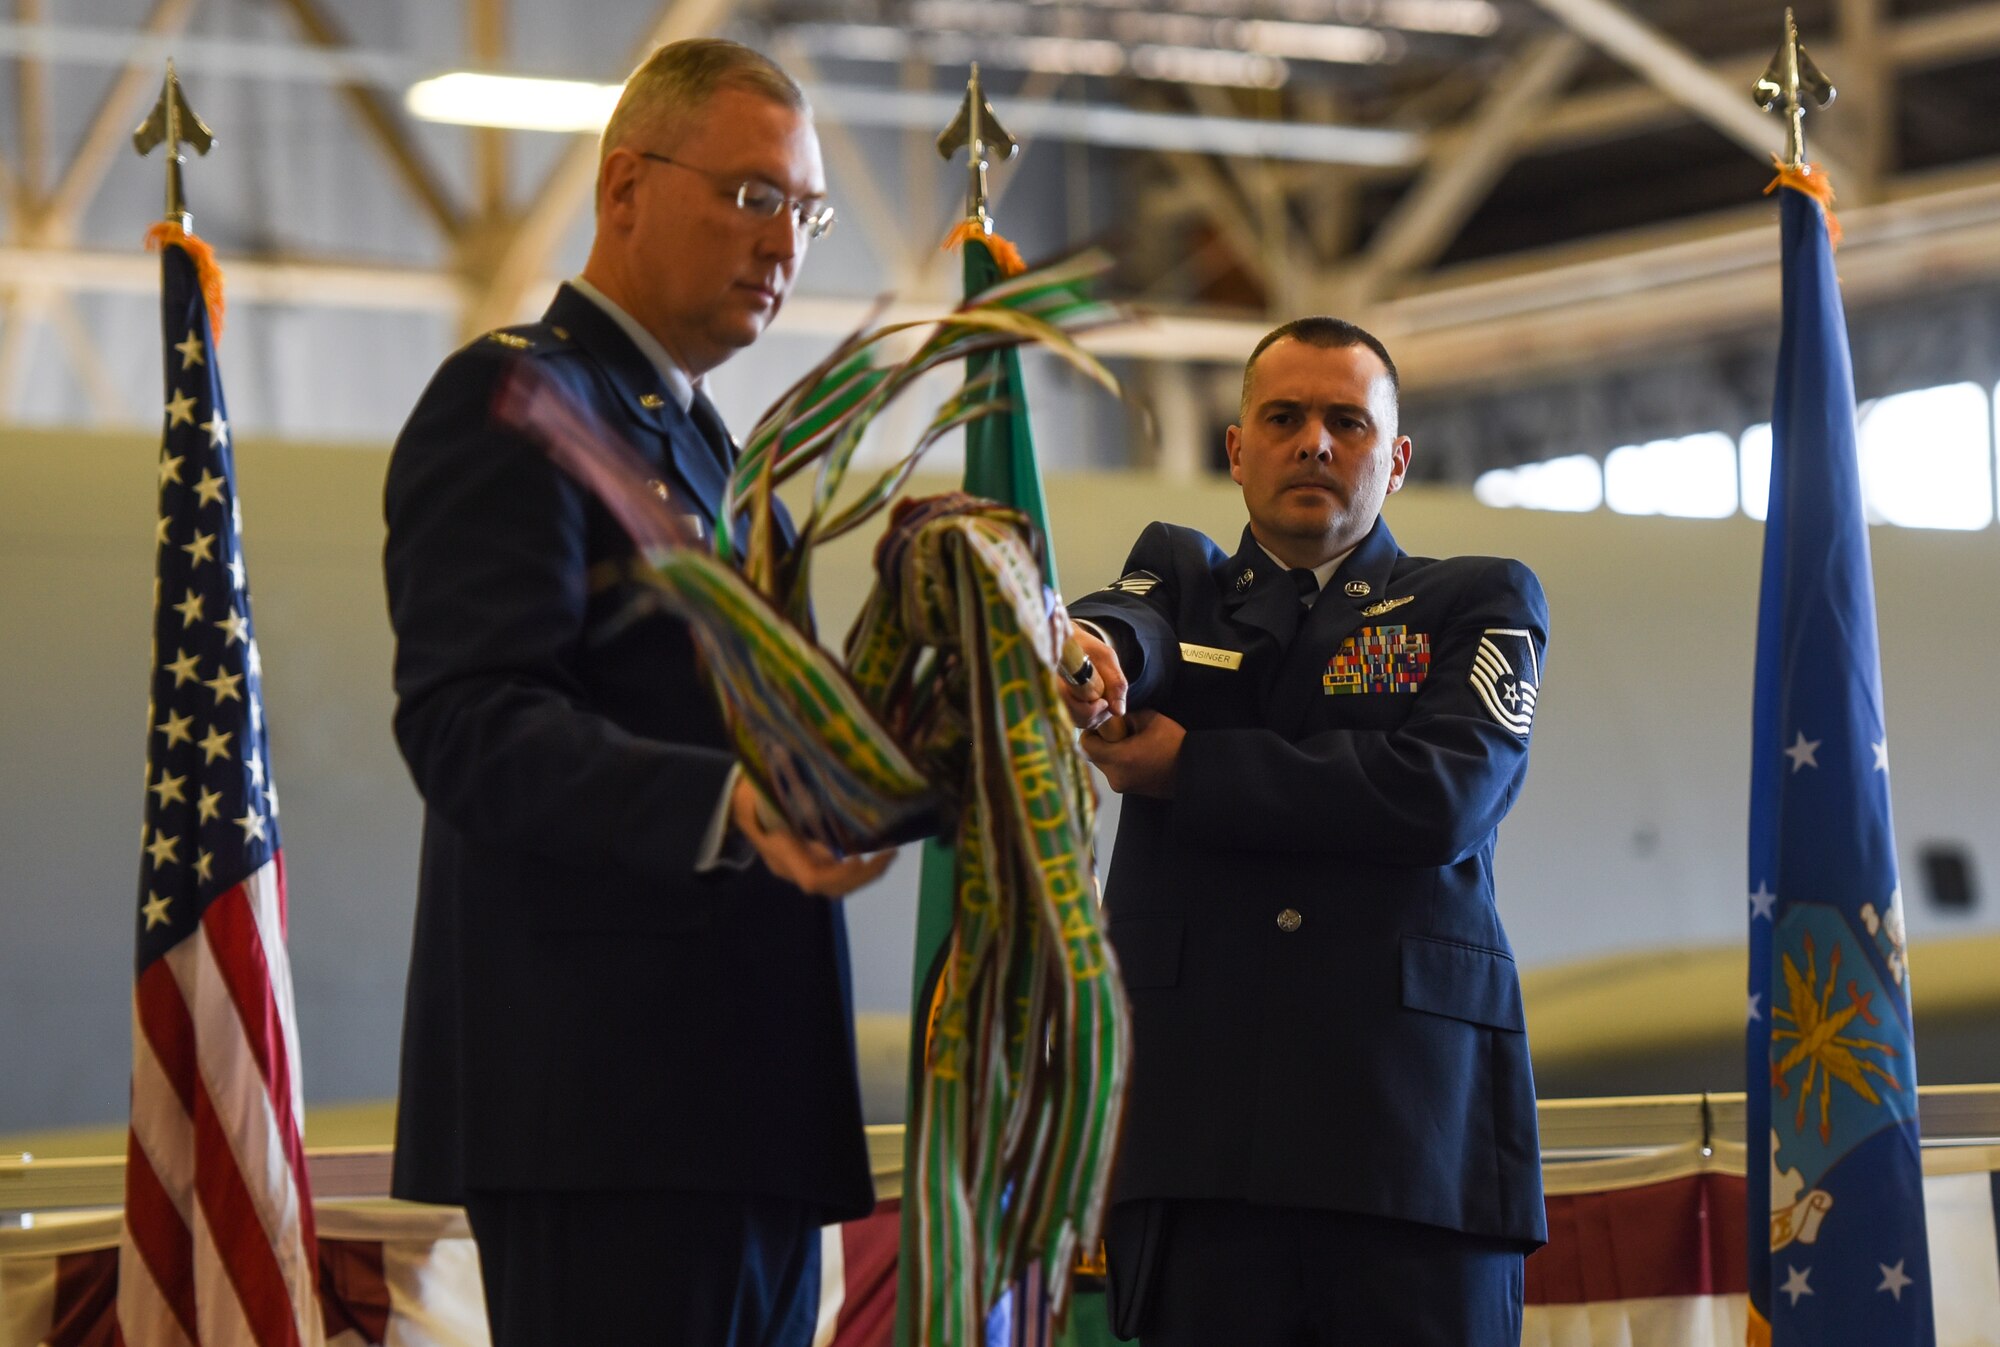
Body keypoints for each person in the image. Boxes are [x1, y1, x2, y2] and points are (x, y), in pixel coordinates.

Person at [382, 39, 890, 1346]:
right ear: (626, 189)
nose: (784, 244)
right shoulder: (515, 399)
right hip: (610, 1106)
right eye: (751, 196)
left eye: (806, 211)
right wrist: (731, 803)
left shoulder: (708, 448)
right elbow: (470, 722)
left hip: (737, 1095)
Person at [1061, 318, 1549, 1346]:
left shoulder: (1472, 602)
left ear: (1394, 457)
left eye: (1345, 421)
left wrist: (1189, 767)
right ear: (1235, 449)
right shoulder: (1179, 583)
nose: (1313, 443)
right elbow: (1129, 626)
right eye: (1281, 418)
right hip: (1197, 1155)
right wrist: (1089, 648)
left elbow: (1439, 797)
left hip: (1408, 1149)